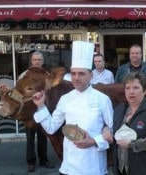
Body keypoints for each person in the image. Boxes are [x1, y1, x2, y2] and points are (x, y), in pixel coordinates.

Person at [32, 41, 113, 175]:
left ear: (90, 75)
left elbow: (112, 131)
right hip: (69, 167)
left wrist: (93, 141)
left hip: (94, 167)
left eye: (81, 73)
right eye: (73, 73)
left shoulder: (102, 99)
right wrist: (41, 106)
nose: (76, 78)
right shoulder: (65, 99)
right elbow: (51, 127)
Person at [112, 72, 146, 175]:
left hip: (145, 168)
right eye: (127, 88)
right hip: (122, 168)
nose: (131, 92)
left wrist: (131, 144)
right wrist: (107, 130)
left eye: (136, 88)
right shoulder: (119, 109)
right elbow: (114, 131)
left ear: (144, 91)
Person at [18, 51, 54, 172]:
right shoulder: (24, 75)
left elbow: (51, 91)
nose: (37, 62)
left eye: (39, 60)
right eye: (35, 59)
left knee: (43, 137)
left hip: (42, 109)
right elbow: (19, 92)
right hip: (30, 112)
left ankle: (44, 159)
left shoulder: (47, 75)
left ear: (42, 62)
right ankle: (31, 161)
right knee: (30, 138)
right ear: (31, 61)